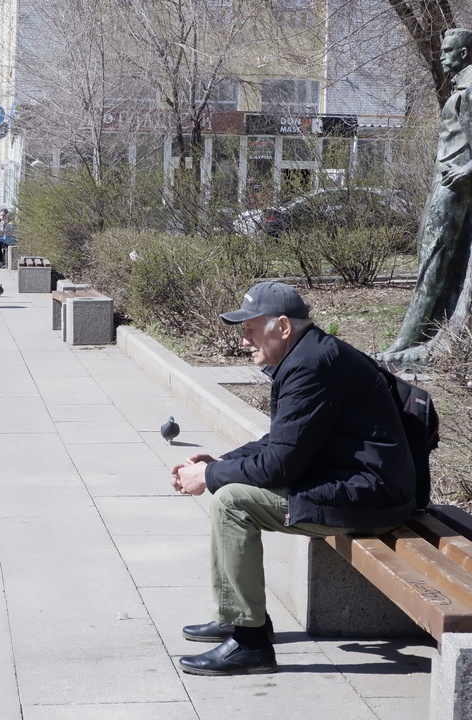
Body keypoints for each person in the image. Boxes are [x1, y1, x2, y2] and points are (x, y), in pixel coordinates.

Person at [170, 281, 416, 676]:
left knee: (232, 502)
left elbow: (280, 465)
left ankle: (250, 643)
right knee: (229, 490)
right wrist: (221, 461)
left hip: (369, 499)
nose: (244, 339)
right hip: (359, 485)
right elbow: (283, 440)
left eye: (251, 328)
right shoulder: (310, 354)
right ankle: (239, 617)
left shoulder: (311, 365)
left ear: (283, 327)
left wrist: (211, 475)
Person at [381, 28, 472, 364]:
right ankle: (427, 336)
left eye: (446, 51)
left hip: (456, 185)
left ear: (463, 54)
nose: (441, 57)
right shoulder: (463, 85)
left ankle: (404, 343)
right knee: (437, 259)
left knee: (433, 260)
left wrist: (470, 169)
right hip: (448, 181)